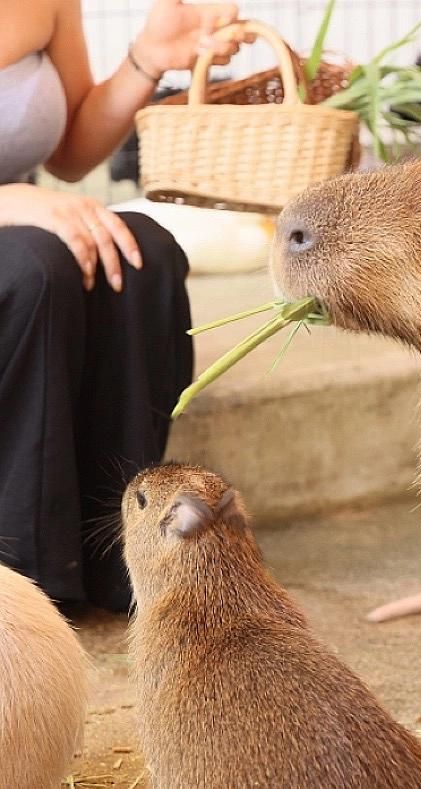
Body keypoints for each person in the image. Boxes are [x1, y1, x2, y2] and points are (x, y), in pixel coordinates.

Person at [0, 0, 249, 612]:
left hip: (19, 219)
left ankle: (117, 562)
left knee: (144, 255)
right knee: (40, 267)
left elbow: (70, 151)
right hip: (15, 228)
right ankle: (25, 585)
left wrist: (146, 61)